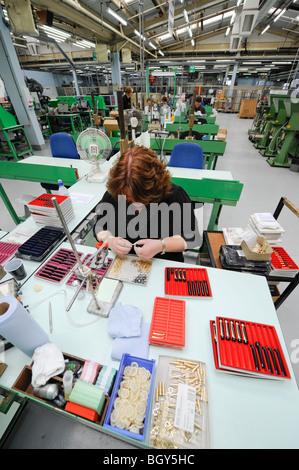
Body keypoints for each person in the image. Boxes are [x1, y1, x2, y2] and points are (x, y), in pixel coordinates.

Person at [94, 146, 200, 262]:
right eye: (128, 198)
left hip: (164, 263)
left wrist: (161, 245)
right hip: (124, 263)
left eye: (141, 199)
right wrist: (110, 241)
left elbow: (192, 238)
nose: (134, 203)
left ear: (154, 187)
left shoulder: (174, 195)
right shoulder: (114, 193)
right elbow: (99, 227)